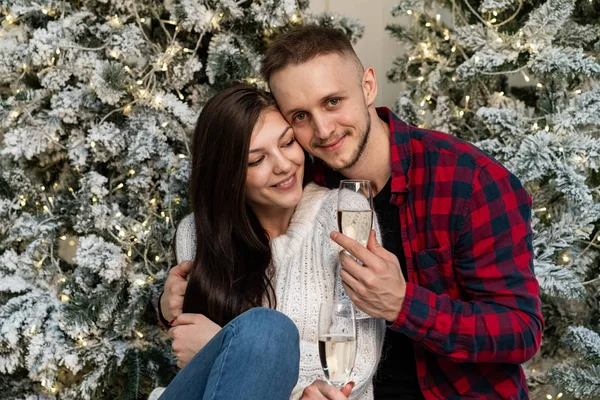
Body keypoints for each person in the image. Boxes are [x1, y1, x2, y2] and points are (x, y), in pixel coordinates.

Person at [160, 25, 544, 400]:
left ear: (368, 87)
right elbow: (235, 252)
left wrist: (402, 303)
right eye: (300, 116)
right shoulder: (302, 180)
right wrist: (175, 304)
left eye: (332, 102)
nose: (323, 130)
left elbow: (522, 331)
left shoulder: (468, 182)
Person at [155, 84, 384, 400]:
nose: (284, 165)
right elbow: (199, 364)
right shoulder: (196, 232)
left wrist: (223, 343)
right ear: (228, 176)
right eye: (256, 160)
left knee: (267, 330)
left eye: (287, 143)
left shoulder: (345, 212)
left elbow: (357, 362)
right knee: (267, 330)